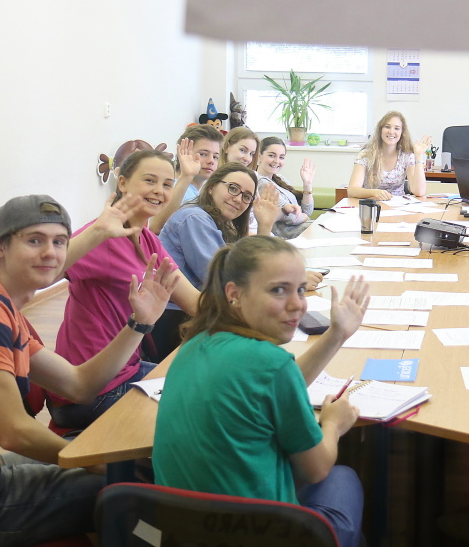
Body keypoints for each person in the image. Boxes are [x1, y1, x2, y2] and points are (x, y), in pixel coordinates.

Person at [0, 194, 177, 547]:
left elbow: (80, 385)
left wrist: (139, 324)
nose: (50, 252)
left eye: (60, 242)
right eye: (35, 241)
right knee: (128, 486)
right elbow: (13, 432)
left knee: (114, 455)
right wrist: (88, 463)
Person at [153, 236, 370, 547]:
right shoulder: (272, 364)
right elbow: (316, 469)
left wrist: (337, 335)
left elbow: (271, 383)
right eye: (278, 290)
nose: (297, 304)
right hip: (257, 534)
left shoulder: (196, 343)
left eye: (300, 290)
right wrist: (334, 425)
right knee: (342, 477)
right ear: (235, 294)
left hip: (185, 533)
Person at [48, 149, 201, 431]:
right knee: (197, 412)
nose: (159, 191)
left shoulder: (147, 239)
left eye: (167, 184)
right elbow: (45, 274)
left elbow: (196, 302)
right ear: (122, 183)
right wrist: (97, 233)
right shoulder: (102, 235)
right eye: (149, 180)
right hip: (90, 389)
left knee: (206, 387)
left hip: (126, 370)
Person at [154, 164, 280, 359]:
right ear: (212, 187)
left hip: (199, 315)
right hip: (175, 322)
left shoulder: (219, 223)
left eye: (246, 196)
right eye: (233, 188)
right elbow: (224, 282)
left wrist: (265, 226)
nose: (238, 199)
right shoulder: (194, 218)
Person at [347, 111, 430, 200]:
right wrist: (374, 192)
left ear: (402, 132)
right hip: (372, 204)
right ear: (380, 130)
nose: (391, 132)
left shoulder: (406, 156)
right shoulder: (366, 155)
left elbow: (419, 191)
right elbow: (352, 190)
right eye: (387, 127)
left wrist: (418, 155)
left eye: (397, 128)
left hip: (399, 205)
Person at [256, 136, 316, 240]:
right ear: (259, 156)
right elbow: (293, 218)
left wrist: (307, 184)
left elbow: (307, 211)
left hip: (305, 230)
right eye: (271, 155)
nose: (277, 161)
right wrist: (305, 216)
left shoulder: (280, 179)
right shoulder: (261, 182)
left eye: (281, 157)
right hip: (289, 238)